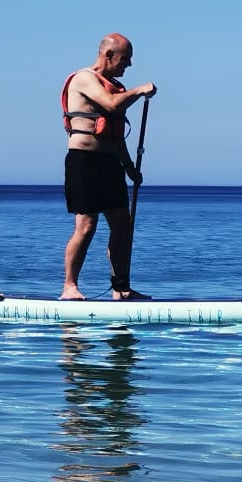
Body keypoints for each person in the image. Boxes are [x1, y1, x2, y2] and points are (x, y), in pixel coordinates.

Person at [61, 33, 156, 300]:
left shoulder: (113, 86)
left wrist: (129, 167)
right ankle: (70, 287)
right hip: (84, 162)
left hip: (110, 163)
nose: (129, 65)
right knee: (86, 226)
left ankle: (121, 289)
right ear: (108, 55)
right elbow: (111, 106)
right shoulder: (84, 78)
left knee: (123, 227)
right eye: (125, 59)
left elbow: (114, 136)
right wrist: (139, 90)